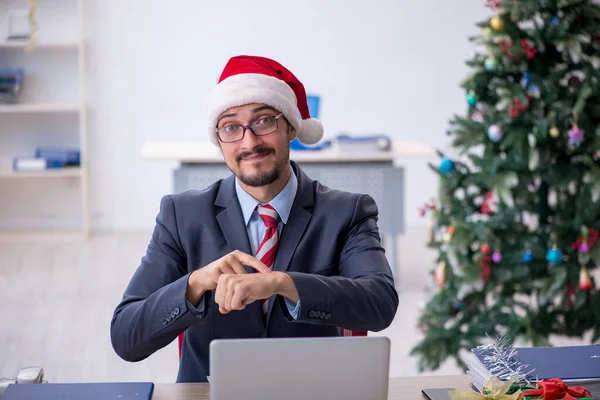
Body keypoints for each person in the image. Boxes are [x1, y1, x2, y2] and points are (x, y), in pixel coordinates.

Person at [110, 55, 399, 383]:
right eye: (231, 127)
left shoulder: (348, 212)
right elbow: (125, 336)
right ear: (219, 141)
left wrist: (282, 283)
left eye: (264, 121)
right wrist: (193, 285)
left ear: (291, 126)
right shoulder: (182, 215)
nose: (249, 142)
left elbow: (380, 303)